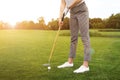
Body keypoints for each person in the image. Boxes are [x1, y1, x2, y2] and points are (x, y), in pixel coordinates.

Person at [57, 0, 91, 73]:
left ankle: (86, 65)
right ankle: (70, 62)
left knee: (85, 38)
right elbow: (63, 3)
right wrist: (60, 18)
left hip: (82, 10)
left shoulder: (73, 7)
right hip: (72, 12)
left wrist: (69, 6)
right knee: (73, 38)